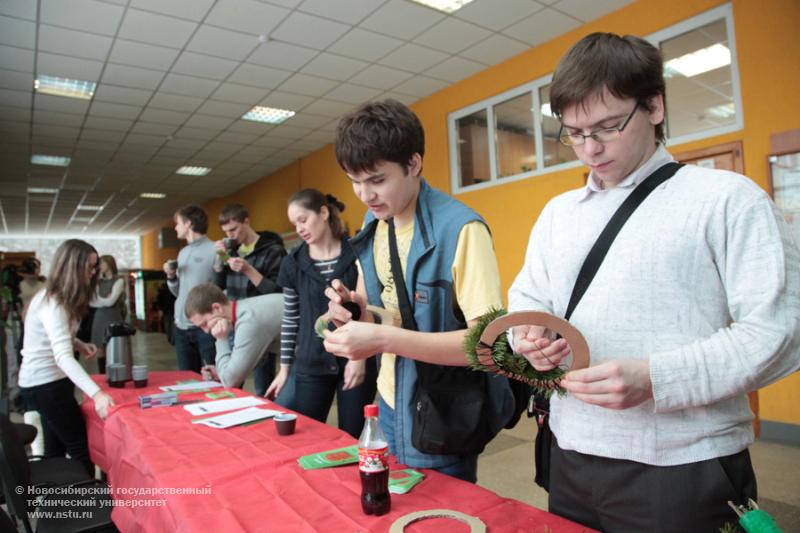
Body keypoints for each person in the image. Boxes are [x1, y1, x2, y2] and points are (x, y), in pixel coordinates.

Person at [507, 33, 800, 532]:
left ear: (655, 106)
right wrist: (528, 337)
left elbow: (780, 331)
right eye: (574, 133)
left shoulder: (726, 199)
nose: (590, 148)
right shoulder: (558, 214)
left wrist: (657, 379)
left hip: (684, 463)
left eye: (607, 127)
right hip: (571, 452)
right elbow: (529, 298)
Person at [322, 99, 515, 482]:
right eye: (355, 182)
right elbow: (376, 301)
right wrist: (353, 308)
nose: (365, 194)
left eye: (377, 180)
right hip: (390, 400)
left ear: (413, 164)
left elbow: (487, 345)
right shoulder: (376, 220)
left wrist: (382, 339)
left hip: (442, 407)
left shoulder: (460, 230)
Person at [266, 189, 377, 439]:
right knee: (308, 438)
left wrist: (359, 359)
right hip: (311, 362)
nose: (299, 228)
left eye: (303, 219)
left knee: (353, 438)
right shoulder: (292, 263)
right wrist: (284, 370)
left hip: (355, 358)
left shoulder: (358, 254)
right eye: (295, 223)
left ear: (324, 213)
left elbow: (367, 307)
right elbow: (291, 319)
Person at [17, 239, 114, 475]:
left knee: (55, 449)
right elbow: (62, 356)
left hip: (44, 383)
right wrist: (97, 393)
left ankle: (55, 502)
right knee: (80, 448)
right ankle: (87, 505)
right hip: (46, 384)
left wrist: (78, 343)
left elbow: (54, 338)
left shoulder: (52, 298)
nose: (93, 274)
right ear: (73, 266)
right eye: (89, 268)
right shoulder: (54, 303)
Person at [213, 203, 286, 396]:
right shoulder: (232, 250)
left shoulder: (273, 250)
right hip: (233, 321)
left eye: (234, 229)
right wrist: (219, 260)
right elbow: (218, 285)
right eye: (226, 231)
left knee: (263, 385)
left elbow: (279, 292)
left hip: (261, 325)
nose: (230, 235)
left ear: (247, 221)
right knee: (231, 382)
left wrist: (248, 270)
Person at [184, 283, 282, 391]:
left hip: (302, 361)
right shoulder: (243, 308)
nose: (206, 331)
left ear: (217, 307)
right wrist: (221, 371)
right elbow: (248, 363)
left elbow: (230, 381)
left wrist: (221, 339)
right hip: (298, 356)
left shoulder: (248, 321)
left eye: (205, 323)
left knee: (283, 404)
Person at [163, 205, 217, 373]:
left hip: (205, 326)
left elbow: (221, 288)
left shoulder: (215, 249)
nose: (176, 227)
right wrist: (171, 277)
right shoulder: (183, 253)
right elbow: (178, 292)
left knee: (213, 379)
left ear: (188, 223)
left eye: (177, 223)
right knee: (187, 380)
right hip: (181, 326)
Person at [89, 255, 126, 374]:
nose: (100, 266)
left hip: (113, 317)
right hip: (99, 318)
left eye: (102, 263)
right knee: (99, 347)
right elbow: (91, 302)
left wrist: (101, 300)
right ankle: (102, 375)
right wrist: (104, 300)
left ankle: (115, 374)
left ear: (110, 264)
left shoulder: (119, 280)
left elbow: (111, 302)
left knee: (114, 347)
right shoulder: (97, 282)